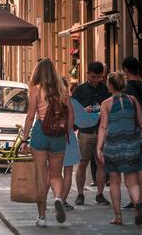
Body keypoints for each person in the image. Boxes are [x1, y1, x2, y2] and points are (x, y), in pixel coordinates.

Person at [20, 59, 72, 227]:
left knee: (41, 177)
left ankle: (41, 217)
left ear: (38, 72)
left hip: (41, 132)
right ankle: (58, 198)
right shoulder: (63, 90)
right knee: (56, 175)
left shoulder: (35, 90)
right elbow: (70, 114)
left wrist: (24, 139)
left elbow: (30, 116)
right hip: (58, 135)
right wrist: (66, 133)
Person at [96, 71, 142, 225]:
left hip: (113, 146)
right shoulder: (133, 100)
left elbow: (103, 127)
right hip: (131, 145)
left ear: (110, 85)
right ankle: (137, 202)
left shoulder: (106, 103)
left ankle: (118, 216)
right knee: (132, 181)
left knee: (114, 182)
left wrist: (99, 147)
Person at [71, 61, 110, 206]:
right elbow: (72, 109)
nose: (96, 80)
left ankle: (100, 194)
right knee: (82, 163)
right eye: (93, 77)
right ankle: (80, 194)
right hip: (85, 132)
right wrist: (83, 111)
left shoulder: (105, 90)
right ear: (88, 74)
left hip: (101, 131)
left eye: (99, 77)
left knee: (101, 163)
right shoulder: (79, 90)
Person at [122, 57, 142, 210]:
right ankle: (140, 199)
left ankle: (134, 199)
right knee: (140, 166)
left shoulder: (126, 90)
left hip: (130, 130)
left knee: (130, 167)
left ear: (126, 70)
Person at [60, 78, 81, 210]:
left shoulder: (50, 98)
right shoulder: (67, 100)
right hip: (67, 138)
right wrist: (66, 133)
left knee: (53, 172)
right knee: (67, 172)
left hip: (53, 137)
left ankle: (46, 199)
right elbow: (72, 119)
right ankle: (62, 200)